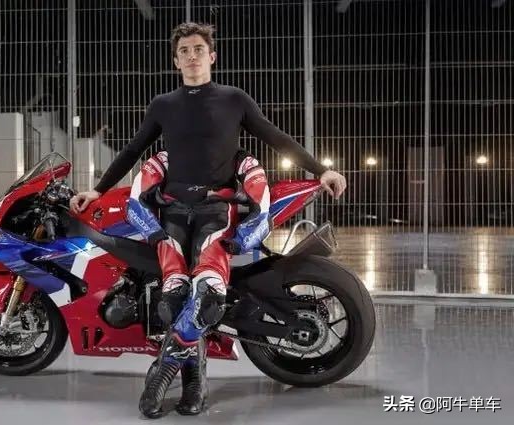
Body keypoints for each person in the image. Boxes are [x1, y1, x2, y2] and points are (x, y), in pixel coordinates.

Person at [70, 22, 347, 418]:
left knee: (209, 295)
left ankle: (164, 369)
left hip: (217, 211)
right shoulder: (163, 105)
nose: (192, 55)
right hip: (171, 212)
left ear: (212, 56)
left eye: (198, 49)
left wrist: (320, 170)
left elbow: (275, 136)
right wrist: (98, 190)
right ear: (176, 60)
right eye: (184, 50)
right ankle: (194, 381)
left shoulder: (234, 99)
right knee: (172, 298)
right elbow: (132, 149)